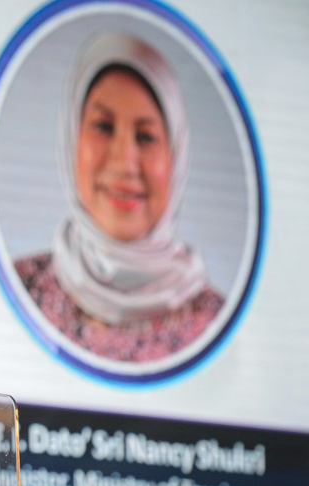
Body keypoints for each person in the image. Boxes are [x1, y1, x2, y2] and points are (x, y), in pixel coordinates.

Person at [14, 33, 223, 362]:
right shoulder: (17, 290)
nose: (124, 162)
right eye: (103, 127)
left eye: (145, 136)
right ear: (72, 138)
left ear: (176, 156)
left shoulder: (217, 325)